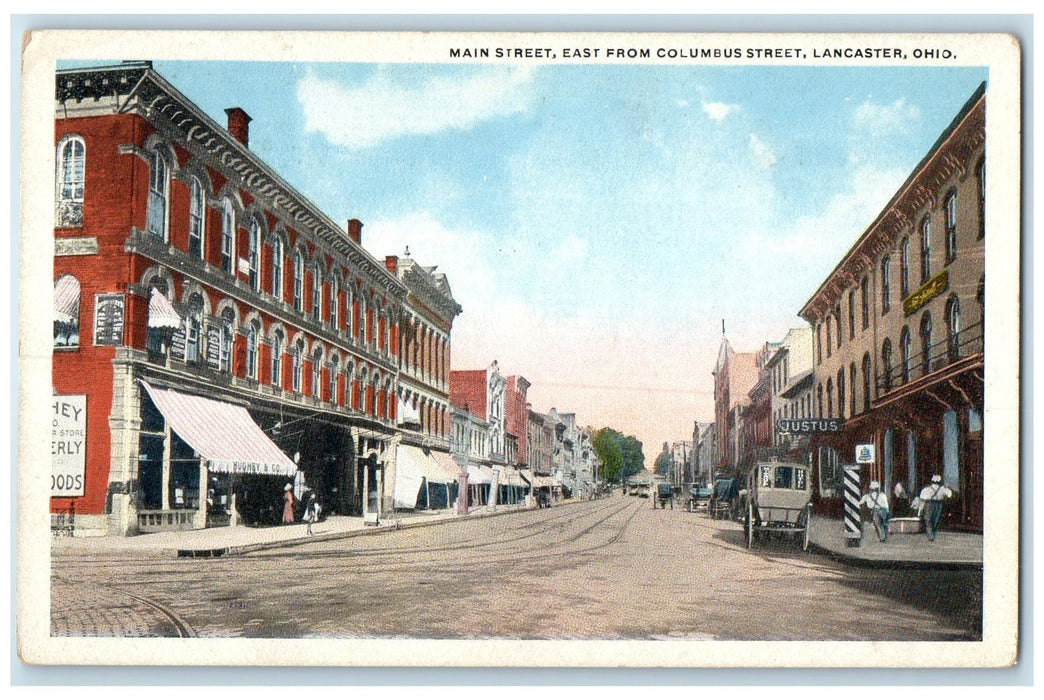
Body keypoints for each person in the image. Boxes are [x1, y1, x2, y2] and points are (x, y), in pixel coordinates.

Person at [918, 475, 955, 542]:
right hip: (938, 504)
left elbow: (922, 498)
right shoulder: (943, 489)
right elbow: (950, 495)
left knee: (928, 520)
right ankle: (933, 534)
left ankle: (930, 535)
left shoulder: (927, 489)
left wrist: (920, 510)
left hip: (929, 504)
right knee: (936, 519)